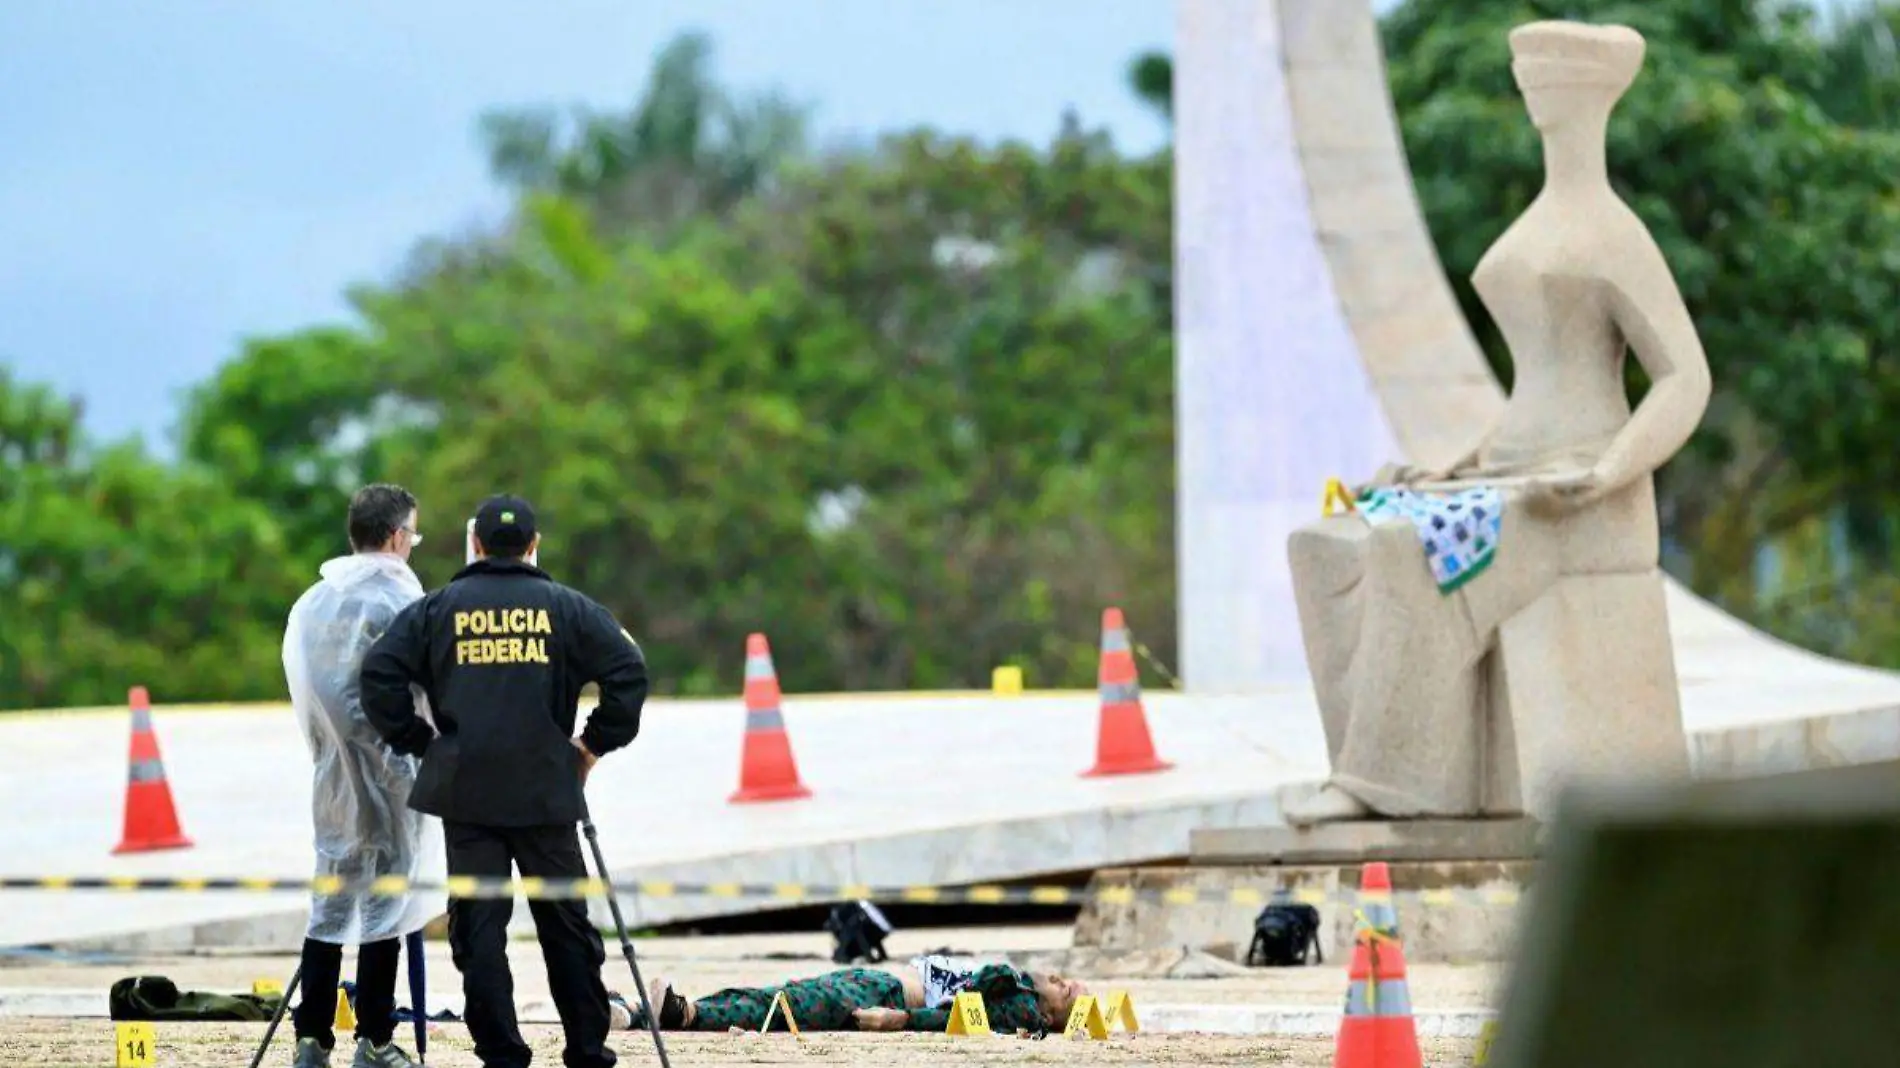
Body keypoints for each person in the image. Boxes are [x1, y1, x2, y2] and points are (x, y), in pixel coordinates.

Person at [361, 494, 647, 1068]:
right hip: (548, 789)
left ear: (477, 544)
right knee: (566, 924)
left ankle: (501, 1050)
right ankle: (587, 1047)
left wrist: (425, 745)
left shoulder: (439, 609)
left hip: (468, 794)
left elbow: (379, 675)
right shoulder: (566, 609)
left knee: (481, 929)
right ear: (534, 546)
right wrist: (590, 746)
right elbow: (628, 672)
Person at [281, 483, 441, 1068]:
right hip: (395, 772)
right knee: (386, 903)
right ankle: (374, 1037)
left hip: (332, 773)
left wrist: (330, 751)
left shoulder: (314, 602)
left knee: (331, 895)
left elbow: (306, 691)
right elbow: (424, 686)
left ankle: (311, 1039)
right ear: (397, 536)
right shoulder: (401, 599)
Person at [613, 955, 1089, 1036]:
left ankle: (684, 1014)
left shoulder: (1018, 1000)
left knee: (786, 1005)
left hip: (887, 995)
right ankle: (637, 1014)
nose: (1061, 980)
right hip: (878, 982)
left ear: (1049, 1015)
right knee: (783, 996)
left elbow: (959, 1018)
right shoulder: (1020, 996)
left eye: (1066, 991)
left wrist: (900, 1021)